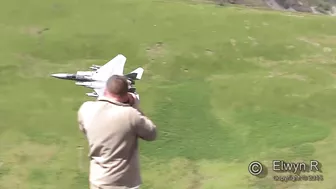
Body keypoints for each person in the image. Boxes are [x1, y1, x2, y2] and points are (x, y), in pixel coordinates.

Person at [77, 75, 157, 189]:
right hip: (124, 184)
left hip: (98, 181)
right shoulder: (131, 114)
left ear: (105, 89)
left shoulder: (86, 109)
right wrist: (136, 106)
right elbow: (152, 133)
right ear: (126, 94)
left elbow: (85, 130)